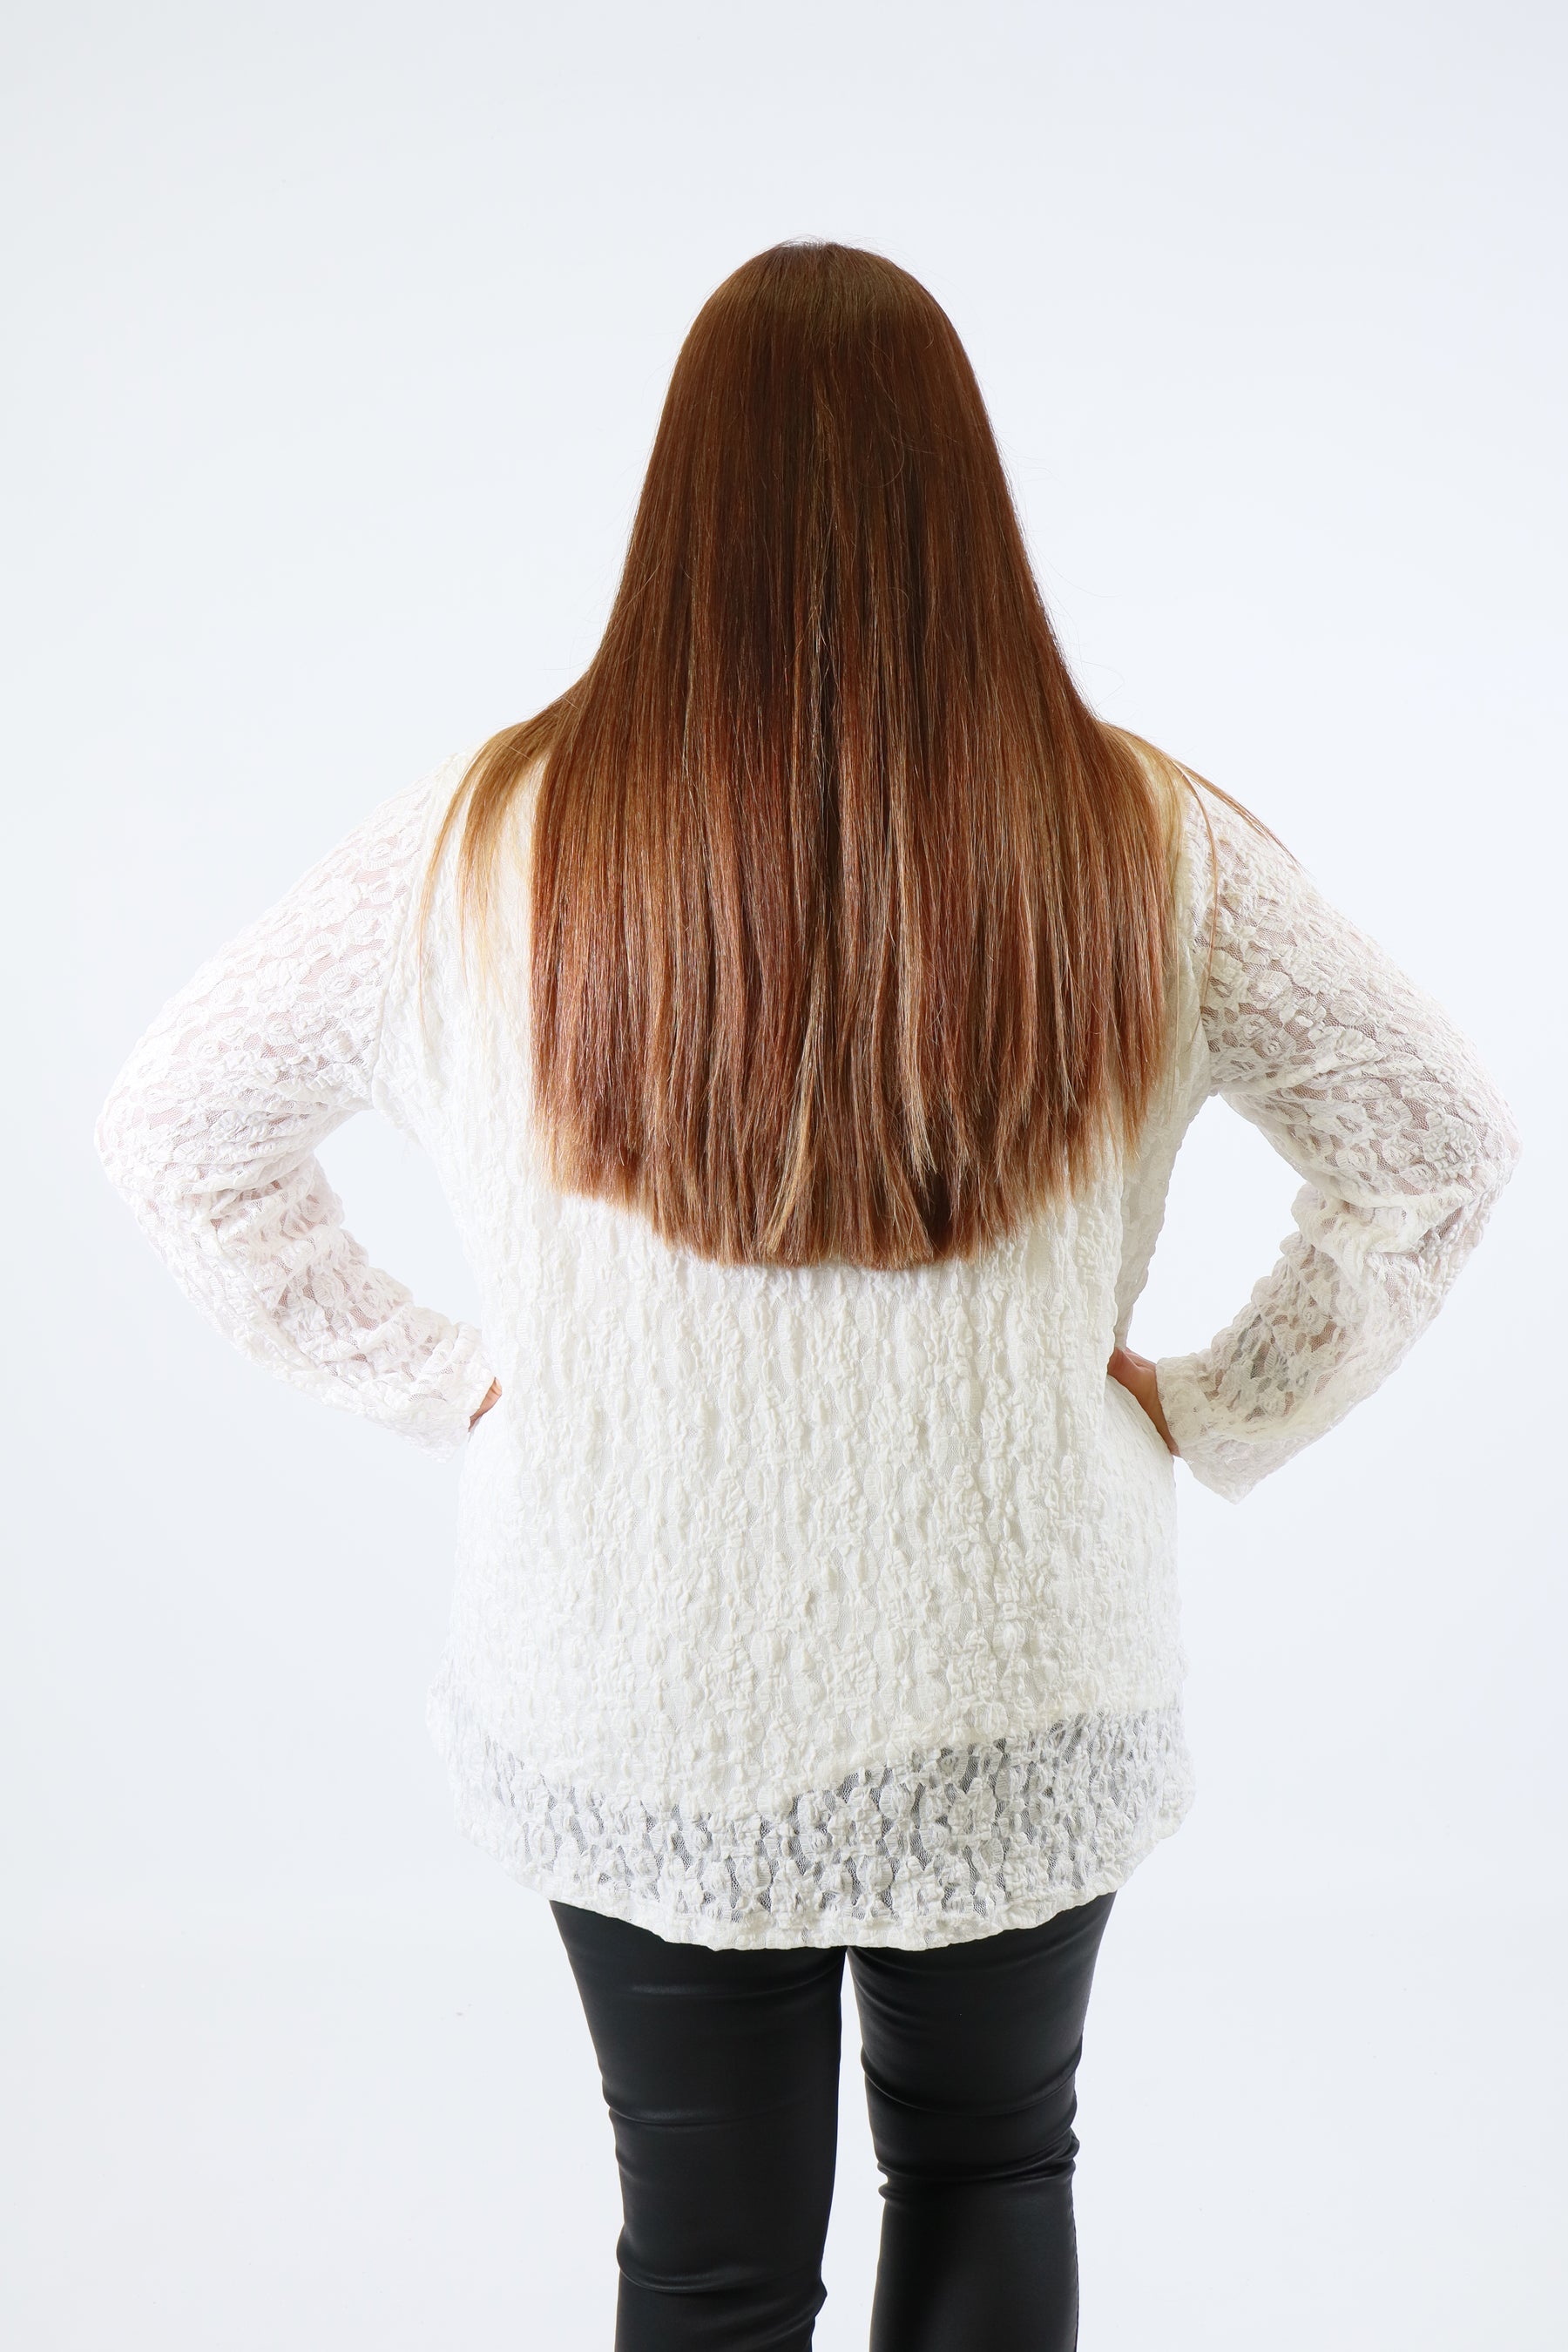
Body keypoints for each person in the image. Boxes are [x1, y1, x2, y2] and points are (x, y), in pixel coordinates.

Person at [95, 240, 1519, 2352]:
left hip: (630, 1669)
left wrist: (444, 1385)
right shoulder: (1142, 839)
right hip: (1018, 1661)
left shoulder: (481, 843)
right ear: (973, 506)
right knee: (989, 2164)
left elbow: (174, 1130)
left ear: (683, 501)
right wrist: (1219, 1407)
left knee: (707, 2260)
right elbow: (1436, 1144)